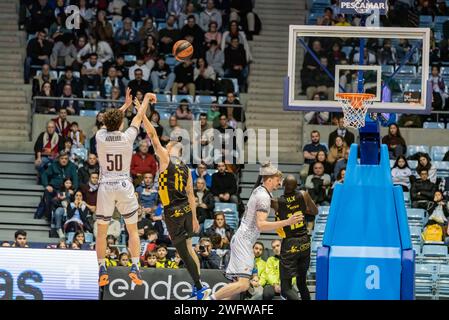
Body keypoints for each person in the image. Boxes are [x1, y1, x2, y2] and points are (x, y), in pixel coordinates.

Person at [140, 102, 212, 299]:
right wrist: (195, 219)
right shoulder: (186, 169)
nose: (167, 145)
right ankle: (199, 284)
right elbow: (191, 195)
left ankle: (199, 286)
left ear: (174, 149)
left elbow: (153, 136)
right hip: (188, 211)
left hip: (173, 212)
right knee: (189, 247)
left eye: (170, 144)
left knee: (183, 251)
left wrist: (141, 113)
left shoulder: (165, 159)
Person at [207, 162, 302, 300]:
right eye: (277, 180)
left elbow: (264, 181)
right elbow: (261, 225)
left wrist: (264, 168)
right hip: (244, 242)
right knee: (243, 285)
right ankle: (209, 299)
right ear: (269, 179)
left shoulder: (259, 190)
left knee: (236, 287)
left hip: (241, 239)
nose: (280, 183)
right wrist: (288, 222)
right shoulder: (263, 197)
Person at [96, 89, 154, 287]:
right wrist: (144, 99)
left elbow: (107, 122)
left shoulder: (100, 136)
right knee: (132, 230)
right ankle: (135, 266)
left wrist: (123, 107)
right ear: (120, 123)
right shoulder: (128, 136)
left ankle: (102, 268)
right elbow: (138, 117)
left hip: (105, 186)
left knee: (102, 232)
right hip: (123, 184)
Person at [272, 175, 318, 300]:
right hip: (305, 241)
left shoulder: (277, 202)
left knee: (285, 288)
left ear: (283, 185)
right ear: (297, 185)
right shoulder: (304, 194)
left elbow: (257, 195)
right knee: (301, 282)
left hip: (290, 243)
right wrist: (301, 210)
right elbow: (315, 211)